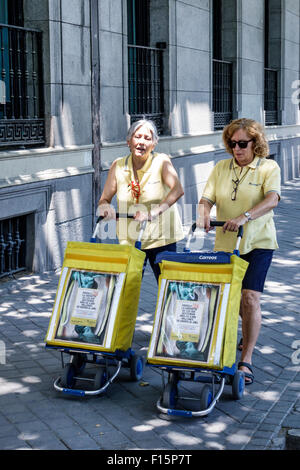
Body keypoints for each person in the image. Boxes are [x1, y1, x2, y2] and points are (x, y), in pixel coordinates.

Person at [198, 118, 281, 385]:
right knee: (230, 300)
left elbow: (272, 199)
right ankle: (246, 330)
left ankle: (246, 361)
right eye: (232, 143)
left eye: (242, 143)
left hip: (258, 242)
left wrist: (245, 216)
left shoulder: (268, 167)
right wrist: (204, 214)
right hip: (225, 244)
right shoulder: (221, 168)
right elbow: (206, 198)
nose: (237, 149)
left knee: (249, 298)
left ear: (255, 143)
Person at [97, 119, 184, 282]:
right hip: (129, 238)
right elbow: (104, 199)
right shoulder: (118, 166)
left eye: (147, 138)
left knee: (168, 286)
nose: (142, 142)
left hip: (161, 237)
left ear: (154, 144)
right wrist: (106, 207)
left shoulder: (161, 161)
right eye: (138, 137)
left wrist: (153, 213)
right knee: (126, 286)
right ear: (128, 141)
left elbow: (177, 190)